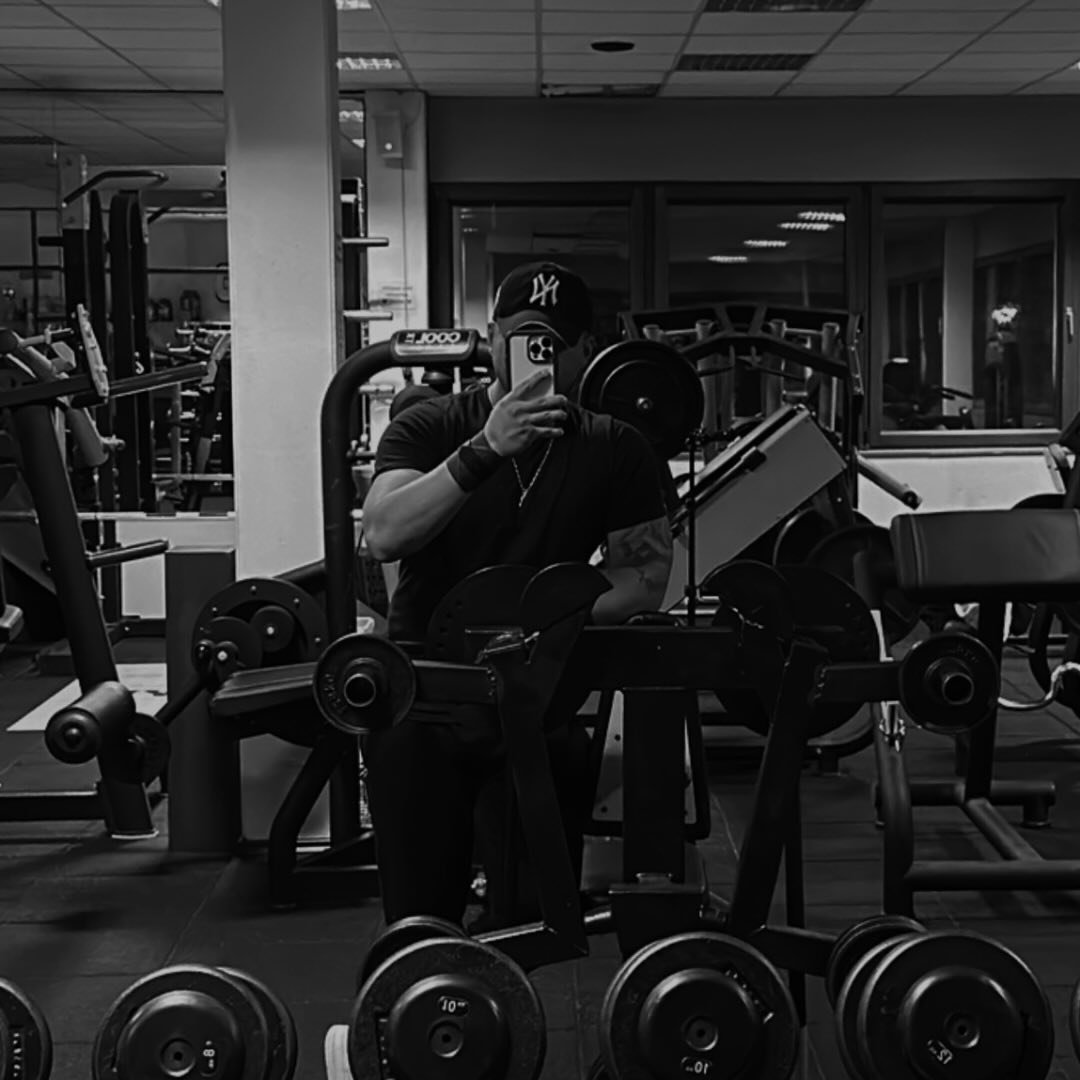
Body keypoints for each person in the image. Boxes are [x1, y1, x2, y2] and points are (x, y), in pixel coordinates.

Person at [361, 261, 674, 928]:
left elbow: (644, 579)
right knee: (419, 921)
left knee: (534, 923)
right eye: (523, 339)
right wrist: (486, 449)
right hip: (424, 696)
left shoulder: (614, 447)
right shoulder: (431, 426)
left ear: (584, 350)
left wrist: (538, 624)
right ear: (493, 336)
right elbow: (384, 533)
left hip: (538, 696)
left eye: (553, 344)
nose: (538, 358)